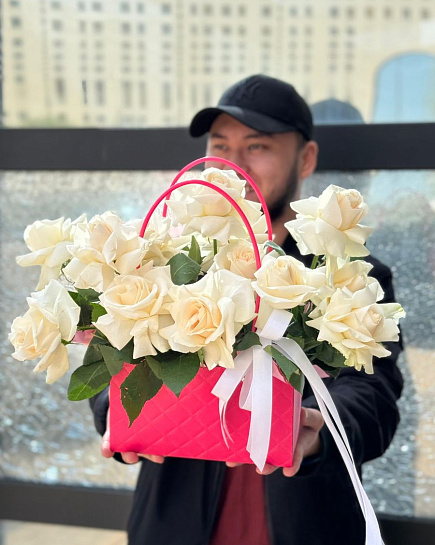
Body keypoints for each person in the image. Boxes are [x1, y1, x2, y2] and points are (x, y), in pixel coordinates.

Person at [90, 74, 403, 545]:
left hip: (307, 523)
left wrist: (317, 432)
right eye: (220, 146)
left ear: (306, 158)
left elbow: (374, 398)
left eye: (257, 147)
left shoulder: (352, 276)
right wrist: (115, 412)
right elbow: (108, 356)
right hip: (173, 522)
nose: (231, 166)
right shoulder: (165, 263)